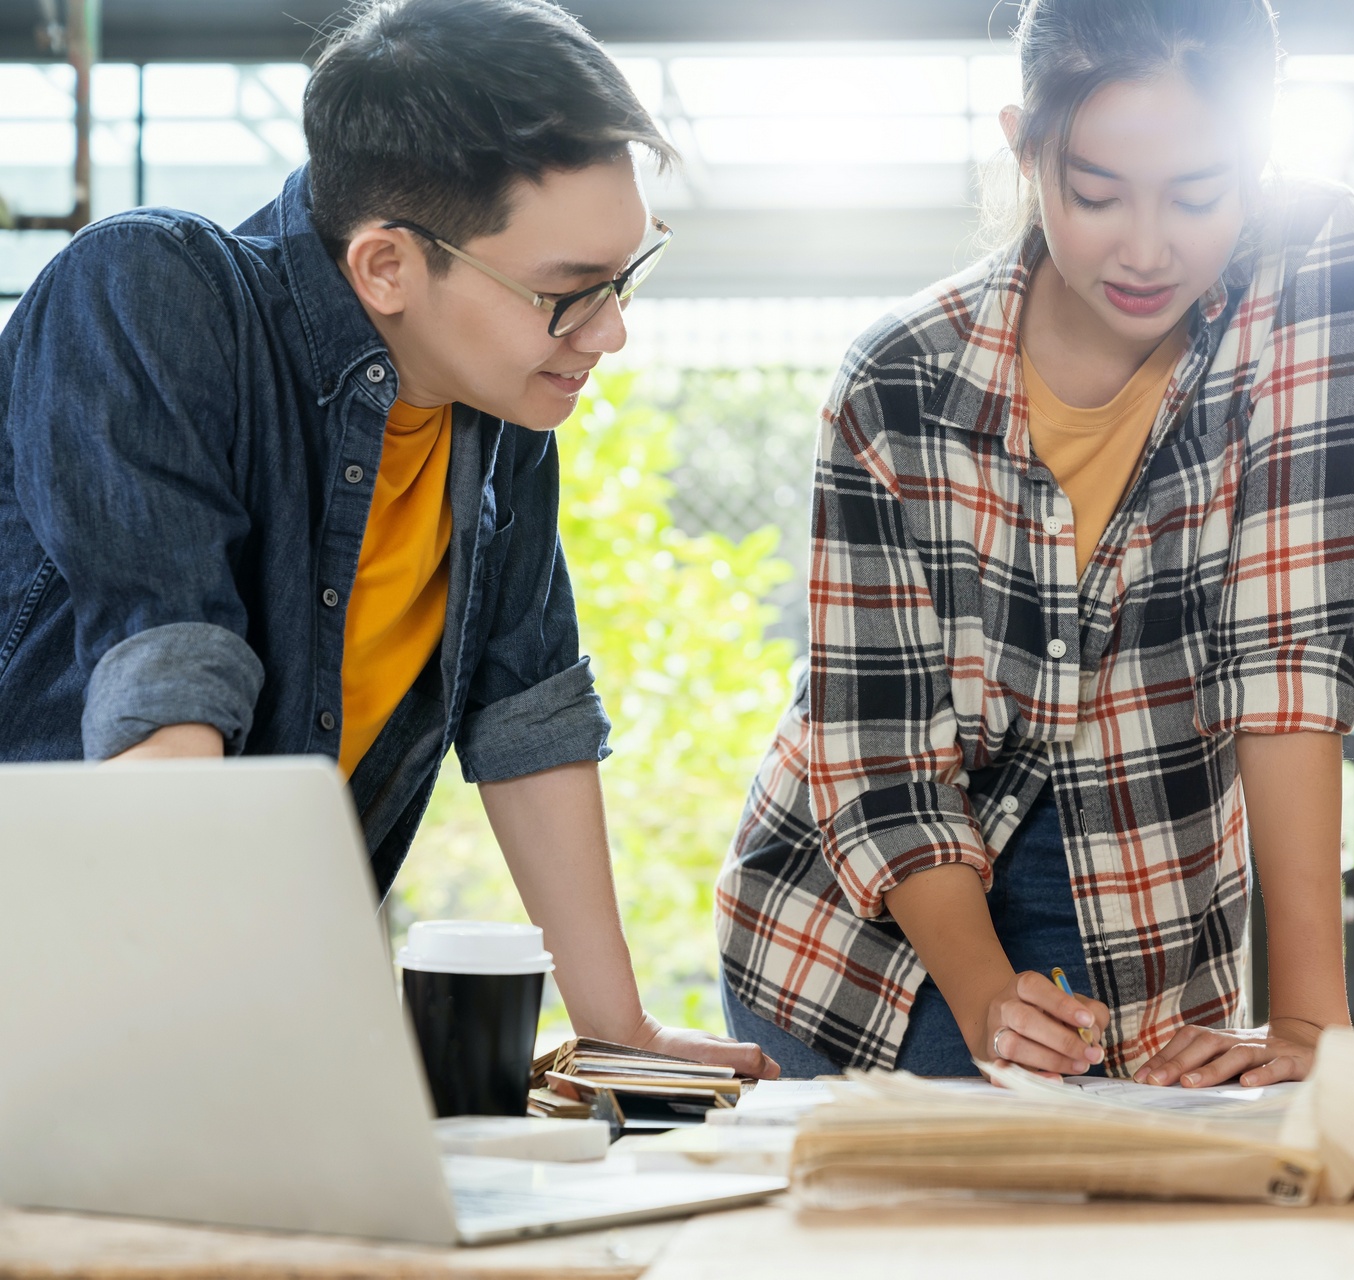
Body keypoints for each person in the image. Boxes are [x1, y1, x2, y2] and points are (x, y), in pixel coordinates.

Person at [0, 0, 776, 1077]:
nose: (610, 331)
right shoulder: (146, 291)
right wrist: (184, 1048)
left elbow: (527, 712)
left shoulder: (501, 415)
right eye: (566, 294)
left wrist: (620, 1034)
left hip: (230, 1002)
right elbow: (167, 685)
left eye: (623, 276)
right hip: (62, 990)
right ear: (386, 267)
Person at [715, 0, 1354, 1083]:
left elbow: (1289, 646)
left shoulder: (1310, 259)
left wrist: (1312, 1023)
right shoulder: (895, 381)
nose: (1149, 247)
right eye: (1096, 192)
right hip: (868, 940)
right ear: (1025, 147)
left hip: (1147, 890)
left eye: (1201, 193)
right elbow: (883, 755)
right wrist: (984, 997)